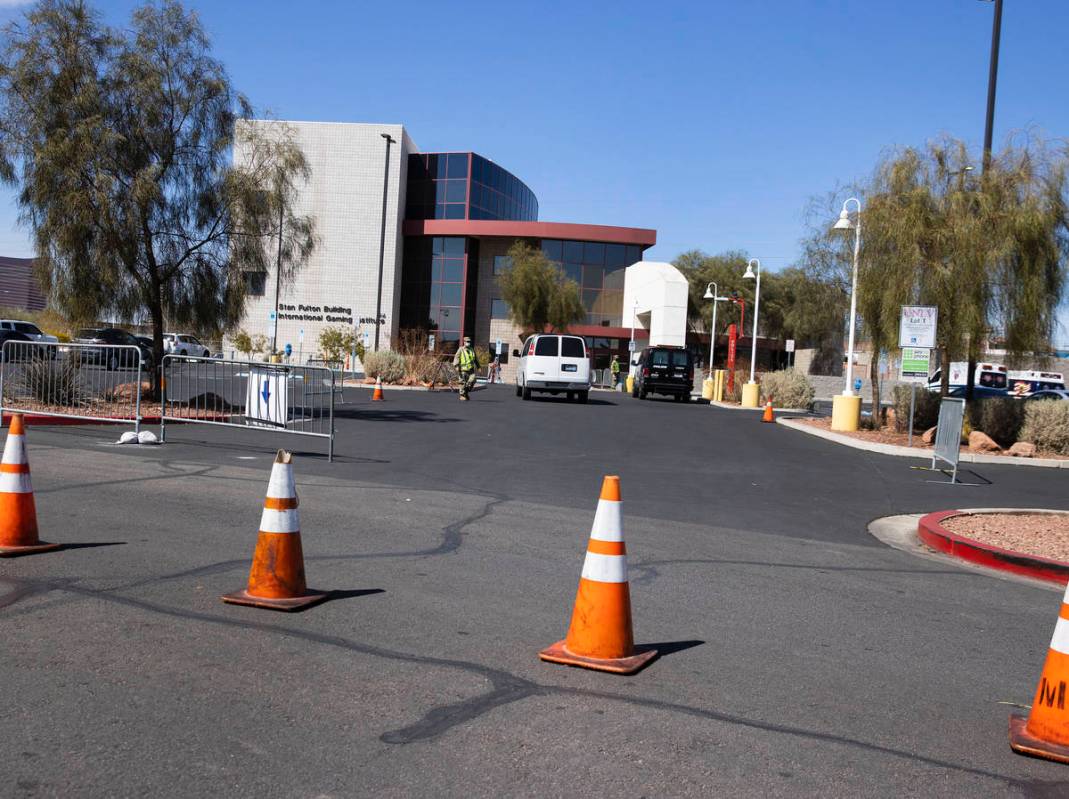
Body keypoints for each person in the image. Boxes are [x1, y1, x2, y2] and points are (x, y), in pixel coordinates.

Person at [452, 336, 479, 400]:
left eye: (469, 342)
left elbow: (475, 359)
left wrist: (478, 366)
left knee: (473, 380)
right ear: (464, 342)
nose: (468, 343)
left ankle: (466, 392)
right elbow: (456, 357)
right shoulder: (460, 349)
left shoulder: (472, 350)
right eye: (467, 341)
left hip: (471, 370)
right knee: (462, 383)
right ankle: (462, 395)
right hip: (463, 370)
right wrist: (456, 366)